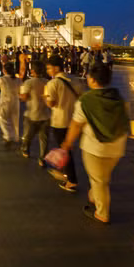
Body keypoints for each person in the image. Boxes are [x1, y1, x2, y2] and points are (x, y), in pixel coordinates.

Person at [62, 64, 129, 224]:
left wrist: (68, 142)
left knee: (99, 181)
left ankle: (102, 213)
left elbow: (76, 125)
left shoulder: (85, 100)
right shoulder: (119, 98)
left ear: (92, 79)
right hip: (117, 146)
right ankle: (94, 196)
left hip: (95, 147)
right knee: (102, 177)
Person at [45, 55, 83, 192]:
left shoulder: (53, 83)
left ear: (56, 68)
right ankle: (66, 172)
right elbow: (81, 97)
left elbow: (51, 103)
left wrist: (45, 98)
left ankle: (71, 181)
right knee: (67, 147)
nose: (48, 71)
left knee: (65, 150)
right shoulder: (74, 80)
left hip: (60, 121)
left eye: (49, 68)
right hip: (74, 120)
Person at [20, 60, 51, 167]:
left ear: (32, 71)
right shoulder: (47, 82)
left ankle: (25, 149)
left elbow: (24, 97)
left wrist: (20, 94)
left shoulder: (28, 83)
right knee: (44, 139)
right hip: (45, 114)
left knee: (28, 136)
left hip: (32, 114)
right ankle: (42, 158)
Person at [0, 61, 21, 146]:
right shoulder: (18, 79)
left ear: (4, 70)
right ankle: (15, 137)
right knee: (15, 120)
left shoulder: (2, 79)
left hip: (5, 102)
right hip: (15, 102)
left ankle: (8, 135)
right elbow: (21, 90)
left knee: (2, 118)